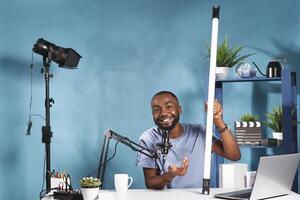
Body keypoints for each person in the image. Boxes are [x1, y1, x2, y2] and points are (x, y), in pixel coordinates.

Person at [136, 91, 241, 189]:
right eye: (156, 110)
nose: (163, 113)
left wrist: (218, 120)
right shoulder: (148, 138)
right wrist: (170, 175)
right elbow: (150, 182)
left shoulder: (198, 132)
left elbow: (234, 155)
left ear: (180, 110)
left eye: (169, 106)